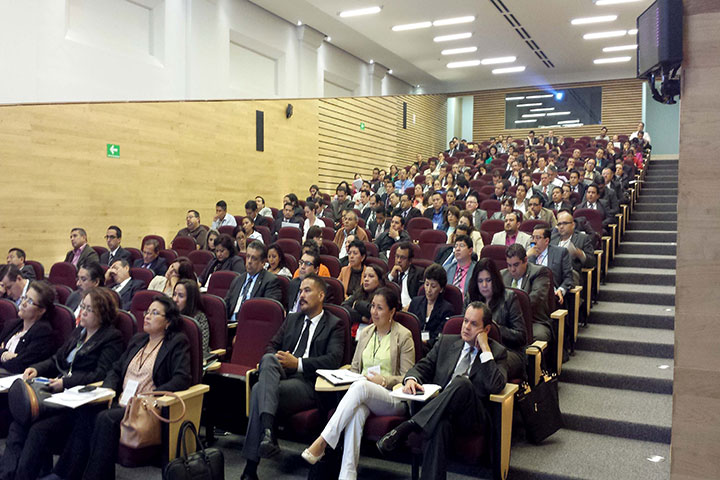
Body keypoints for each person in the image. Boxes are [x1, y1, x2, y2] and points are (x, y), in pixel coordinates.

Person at [48, 295, 192, 480]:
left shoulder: (176, 343)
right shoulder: (139, 340)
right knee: (86, 412)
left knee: (105, 418)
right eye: (147, 312)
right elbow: (116, 369)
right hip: (121, 401)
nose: (147, 316)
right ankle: (64, 474)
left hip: (145, 408)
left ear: (168, 322)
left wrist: (152, 396)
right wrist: (108, 390)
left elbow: (182, 378)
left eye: (155, 313)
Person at [0, 288, 124, 480]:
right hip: (55, 393)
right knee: (20, 421)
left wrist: (64, 383)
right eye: (82, 306)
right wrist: (37, 369)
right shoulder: (79, 332)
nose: (83, 312)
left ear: (102, 313)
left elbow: (100, 374)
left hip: (78, 403)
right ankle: (7, 475)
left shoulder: (111, 338)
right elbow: (56, 359)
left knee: (38, 430)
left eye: (89, 309)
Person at [375, 302, 507, 480]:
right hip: (441, 413)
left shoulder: (496, 352)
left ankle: (410, 425)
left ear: (487, 329)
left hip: (472, 417)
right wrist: (411, 379)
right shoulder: (446, 342)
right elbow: (422, 367)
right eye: (465, 321)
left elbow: (496, 385)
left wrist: (484, 348)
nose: (466, 327)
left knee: (462, 382)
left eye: (474, 324)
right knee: (439, 426)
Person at [302, 288, 415, 478]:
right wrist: (341, 376)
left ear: (392, 311)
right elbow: (355, 369)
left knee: (361, 387)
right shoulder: (366, 333)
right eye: (372, 306)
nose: (374, 312)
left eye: (380, 308)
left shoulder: (403, 336)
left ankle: (323, 440)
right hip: (363, 395)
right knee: (357, 413)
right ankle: (348, 475)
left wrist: (384, 380)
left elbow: (407, 376)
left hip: (392, 397)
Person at [241, 275, 344, 480]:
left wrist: (297, 364)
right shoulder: (292, 319)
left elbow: (333, 360)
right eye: (300, 291)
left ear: (321, 295)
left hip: (309, 384)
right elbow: (271, 346)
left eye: (307, 290)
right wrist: (280, 360)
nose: (301, 295)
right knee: (269, 358)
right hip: (280, 376)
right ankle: (268, 433)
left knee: (259, 390)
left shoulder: (334, 324)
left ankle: (251, 467)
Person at [0, 280, 55, 375]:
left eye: (30, 301)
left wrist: (2, 354)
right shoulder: (13, 325)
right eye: (24, 297)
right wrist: (5, 354)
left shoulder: (43, 332)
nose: (23, 303)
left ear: (41, 310)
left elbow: (19, 365)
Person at [502, 244, 553, 345]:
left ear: (525, 260)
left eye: (516, 265)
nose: (512, 270)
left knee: (538, 336)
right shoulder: (502, 275)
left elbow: (535, 299)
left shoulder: (540, 273)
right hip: (507, 322)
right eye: (509, 265)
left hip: (533, 321)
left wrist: (511, 309)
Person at [224, 241, 283, 321]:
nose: (249, 261)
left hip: (251, 323)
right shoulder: (238, 280)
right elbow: (226, 305)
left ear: (263, 262)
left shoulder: (271, 281)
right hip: (230, 324)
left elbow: (268, 311)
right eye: (248, 257)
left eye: (254, 258)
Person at [408, 263, 454, 349]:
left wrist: (424, 342)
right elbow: (408, 326)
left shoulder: (447, 309)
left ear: (441, 289)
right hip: (412, 344)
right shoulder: (415, 302)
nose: (428, 290)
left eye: (433, 286)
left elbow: (439, 336)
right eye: (427, 284)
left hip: (432, 348)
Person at [528, 224, 574, 306]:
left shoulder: (561, 253)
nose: (533, 241)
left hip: (551, 295)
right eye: (533, 237)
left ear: (546, 241)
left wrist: (561, 290)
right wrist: (527, 256)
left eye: (538, 238)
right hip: (531, 293)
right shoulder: (529, 255)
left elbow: (568, 278)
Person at [551, 211, 596, 282]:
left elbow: (591, 262)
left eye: (565, 223)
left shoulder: (583, 238)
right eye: (559, 224)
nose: (561, 227)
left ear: (573, 225)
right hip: (552, 272)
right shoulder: (552, 239)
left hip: (571, 273)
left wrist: (581, 254)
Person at [342, 264, 386, 336]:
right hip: (354, 332)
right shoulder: (359, 291)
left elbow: (372, 311)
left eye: (371, 276)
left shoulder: (383, 296)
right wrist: (361, 318)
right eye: (364, 276)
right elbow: (344, 307)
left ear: (379, 281)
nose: (366, 279)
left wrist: (356, 304)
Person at [173, 279, 210, 356]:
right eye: (174, 294)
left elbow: (202, 349)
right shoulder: (169, 315)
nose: (175, 299)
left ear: (190, 299)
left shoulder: (199, 318)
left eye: (180, 296)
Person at [388, 242, 423, 309]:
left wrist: (410, 306)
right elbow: (383, 290)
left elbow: (420, 298)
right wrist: (391, 276)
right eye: (397, 256)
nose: (398, 260)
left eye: (403, 258)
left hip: (410, 309)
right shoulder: (392, 273)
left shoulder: (418, 274)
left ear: (410, 261)